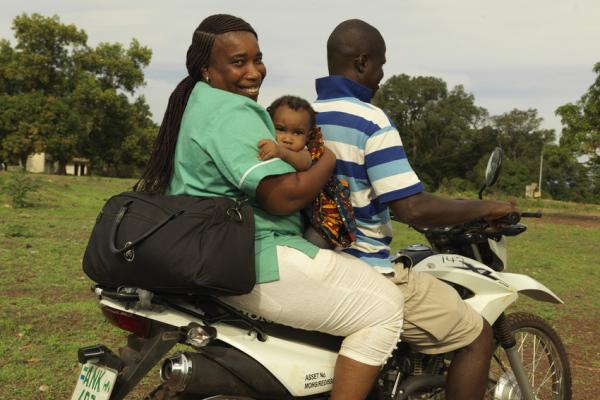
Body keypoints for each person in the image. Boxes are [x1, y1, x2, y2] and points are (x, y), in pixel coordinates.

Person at [135, 15, 404, 400]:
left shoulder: (199, 101)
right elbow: (283, 196)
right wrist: (324, 160)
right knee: (386, 307)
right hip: (256, 255)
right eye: (238, 62)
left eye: (257, 59)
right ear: (207, 70)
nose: (253, 72)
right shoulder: (232, 113)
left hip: (217, 252)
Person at [313, 19, 516, 400]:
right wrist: (488, 206)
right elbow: (412, 207)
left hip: (315, 265)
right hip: (367, 272)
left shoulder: (305, 115)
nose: (382, 76)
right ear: (361, 62)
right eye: (381, 65)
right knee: (477, 334)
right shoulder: (370, 120)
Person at [259, 95, 357, 248]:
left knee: (315, 241)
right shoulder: (266, 141)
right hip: (297, 214)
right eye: (280, 129)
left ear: (308, 136)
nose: (287, 138)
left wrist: (281, 152)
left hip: (322, 216)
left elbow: (305, 163)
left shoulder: (304, 151)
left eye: (297, 133)